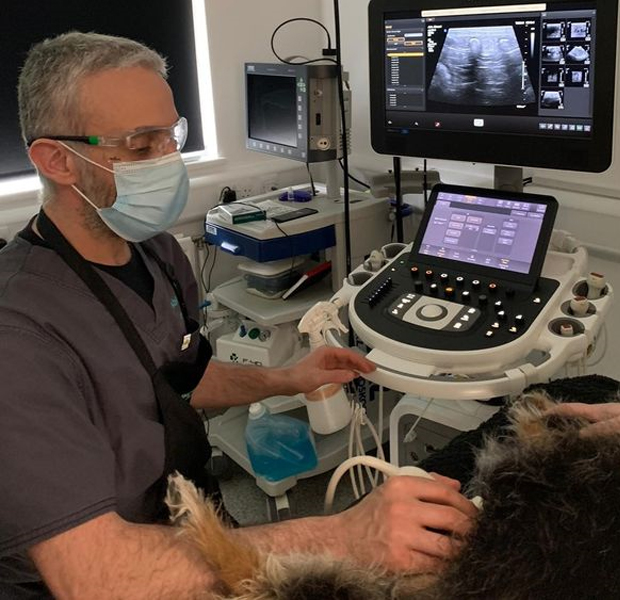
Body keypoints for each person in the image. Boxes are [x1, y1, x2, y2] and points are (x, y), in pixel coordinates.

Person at [0, 32, 476, 599]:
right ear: (57, 160)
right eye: (140, 145)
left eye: (171, 136)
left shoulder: (157, 253)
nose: (167, 161)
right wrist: (345, 532)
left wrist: (291, 378)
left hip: (184, 524)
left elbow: (184, 377)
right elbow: (96, 574)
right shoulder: (19, 334)